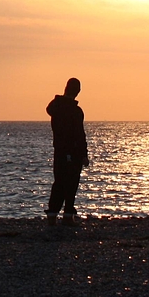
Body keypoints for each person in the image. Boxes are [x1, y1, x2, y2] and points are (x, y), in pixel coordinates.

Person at [45, 77, 89, 226]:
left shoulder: (56, 108)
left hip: (59, 150)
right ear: (78, 91)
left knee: (59, 182)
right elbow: (79, 134)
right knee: (71, 183)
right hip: (72, 151)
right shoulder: (75, 111)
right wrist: (84, 154)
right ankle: (68, 215)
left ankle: (52, 213)